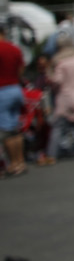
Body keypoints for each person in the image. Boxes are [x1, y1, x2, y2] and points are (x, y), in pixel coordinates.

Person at [0, 34, 25, 177]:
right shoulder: (14, 48)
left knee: (5, 130)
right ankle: (21, 161)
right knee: (15, 128)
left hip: (2, 90)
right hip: (15, 89)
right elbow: (21, 68)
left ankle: (14, 164)